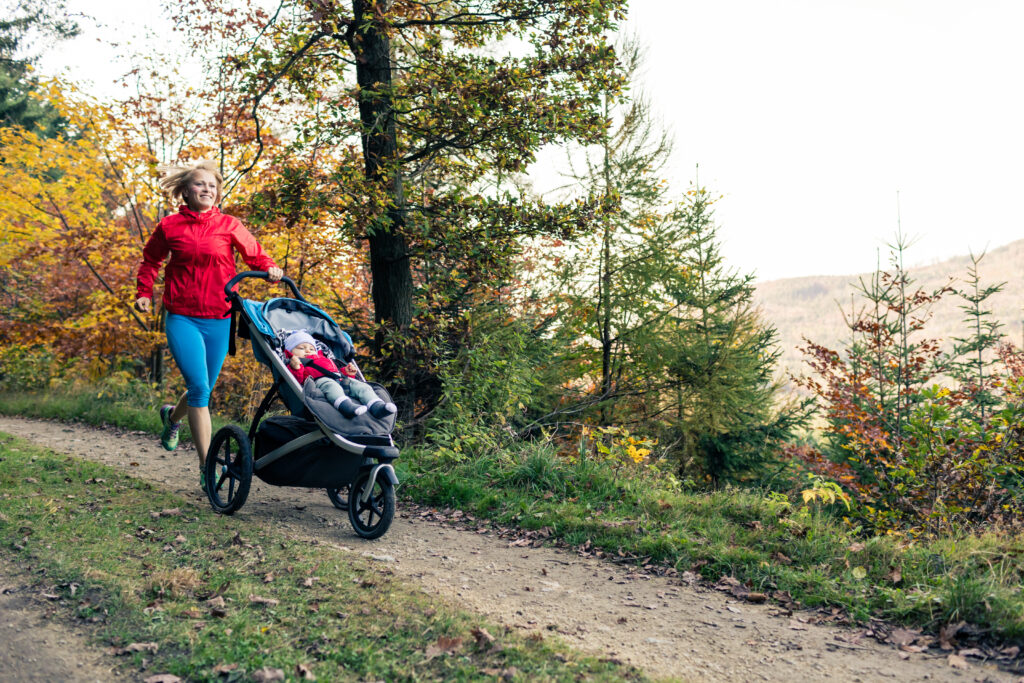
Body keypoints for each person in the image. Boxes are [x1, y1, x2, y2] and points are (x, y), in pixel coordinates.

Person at [134, 160, 283, 490]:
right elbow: (151, 260)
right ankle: (206, 468)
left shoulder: (229, 225)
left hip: (220, 317)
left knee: (202, 389)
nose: (207, 190)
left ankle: (172, 417)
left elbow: (254, 254)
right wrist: (144, 291)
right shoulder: (169, 226)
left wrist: (270, 267)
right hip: (182, 317)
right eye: (200, 185)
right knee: (200, 389)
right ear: (186, 191)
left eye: (212, 186)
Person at [283, 330, 397, 420]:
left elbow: (335, 371)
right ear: (290, 352)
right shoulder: (295, 363)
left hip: (341, 379)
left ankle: (376, 406)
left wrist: (347, 372)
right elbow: (298, 379)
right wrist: (296, 367)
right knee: (331, 386)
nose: (308, 350)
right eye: (301, 348)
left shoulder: (324, 358)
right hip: (320, 382)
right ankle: (346, 407)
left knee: (362, 386)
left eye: (311, 348)